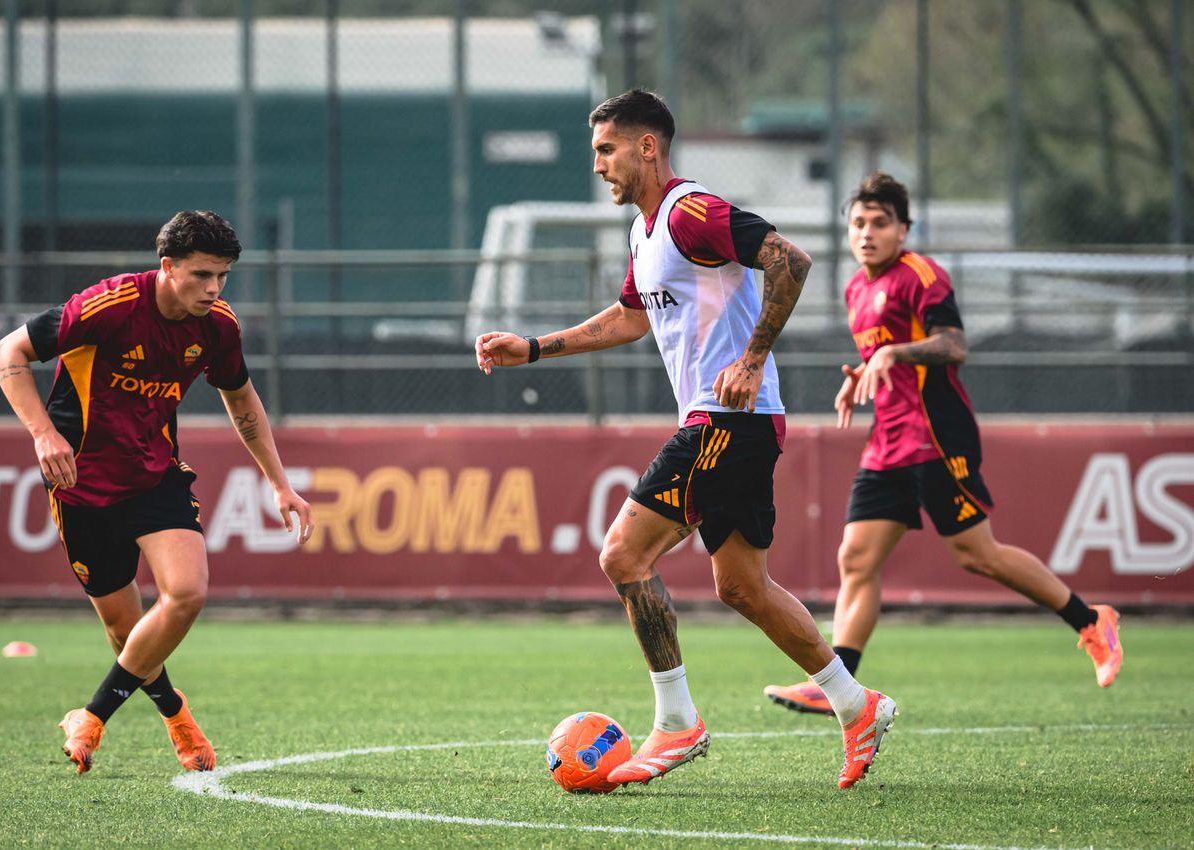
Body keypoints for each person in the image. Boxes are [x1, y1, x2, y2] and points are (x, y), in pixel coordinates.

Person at [475, 90, 896, 790]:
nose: (598, 165)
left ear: (647, 147)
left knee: (623, 554)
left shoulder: (690, 212)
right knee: (743, 587)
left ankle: (677, 723)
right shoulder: (644, 233)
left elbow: (789, 261)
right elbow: (629, 317)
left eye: (606, 150)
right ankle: (857, 705)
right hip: (736, 424)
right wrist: (535, 347)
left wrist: (752, 358)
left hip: (725, 421)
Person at [763, 172, 1123, 717]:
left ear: (903, 230)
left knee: (979, 555)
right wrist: (863, 372)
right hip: (887, 440)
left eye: (880, 223)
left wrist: (893, 354)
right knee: (855, 558)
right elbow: (886, 354)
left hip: (935, 435)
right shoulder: (856, 288)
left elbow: (954, 346)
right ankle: (838, 686)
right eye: (858, 223)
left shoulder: (921, 275)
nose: (867, 233)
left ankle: (1092, 621)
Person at [0, 210, 314, 774]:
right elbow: (6, 354)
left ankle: (92, 717)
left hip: (155, 475)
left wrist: (280, 483)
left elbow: (242, 400)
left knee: (186, 594)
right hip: (80, 483)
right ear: (167, 267)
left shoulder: (218, 326)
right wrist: (43, 433)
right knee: (126, 631)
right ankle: (174, 712)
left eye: (223, 276)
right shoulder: (108, 305)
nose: (214, 288)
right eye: (201, 275)